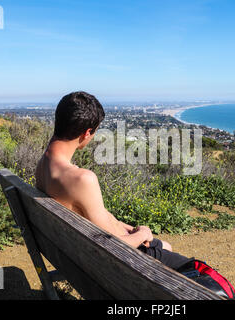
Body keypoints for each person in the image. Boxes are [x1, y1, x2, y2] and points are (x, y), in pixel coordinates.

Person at [35, 91, 192, 270]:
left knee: (164, 246)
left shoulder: (43, 166)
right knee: (181, 260)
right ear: (87, 133)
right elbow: (111, 246)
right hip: (116, 262)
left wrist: (132, 229)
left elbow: (96, 217)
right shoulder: (82, 179)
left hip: (76, 255)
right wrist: (142, 234)